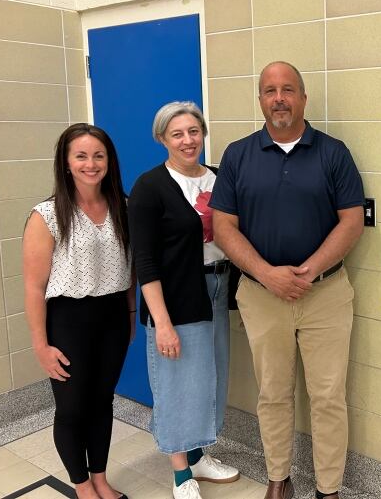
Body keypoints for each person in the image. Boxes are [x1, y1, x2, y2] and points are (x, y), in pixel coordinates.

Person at [212, 61, 365, 499]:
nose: (279, 98)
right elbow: (224, 227)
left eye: (287, 90)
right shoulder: (238, 155)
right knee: (273, 394)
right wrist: (266, 274)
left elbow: (351, 221)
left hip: (326, 294)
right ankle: (279, 479)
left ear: (302, 97)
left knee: (328, 397)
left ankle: (329, 488)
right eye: (269, 91)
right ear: (260, 100)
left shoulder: (333, 153)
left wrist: (309, 269)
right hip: (262, 296)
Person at [127, 102, 239, 499]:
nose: (188, 140)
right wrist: (162, 322)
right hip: (175, 297)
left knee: (209, 378)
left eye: (194, 131)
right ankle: (180, 474)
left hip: (218, 288)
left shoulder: (220, 178)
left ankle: (199, 456)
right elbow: (144, 260)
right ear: (162, 139)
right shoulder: (149, 187)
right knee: (176, 383)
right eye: (177, 134)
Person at [23, 123, 135, 499]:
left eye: (98, 155)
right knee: (72, 409)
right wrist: (41, 345)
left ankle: (100, 477)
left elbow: (131, 270)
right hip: (68, 319)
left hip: (114, 316)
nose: (91, 164)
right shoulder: (48, 215)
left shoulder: (123, 206)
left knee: (103, 402)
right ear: (66, 163)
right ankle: (82, 484)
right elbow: (34, 287)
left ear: (109, 161)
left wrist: (131, 316)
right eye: (81, 156)